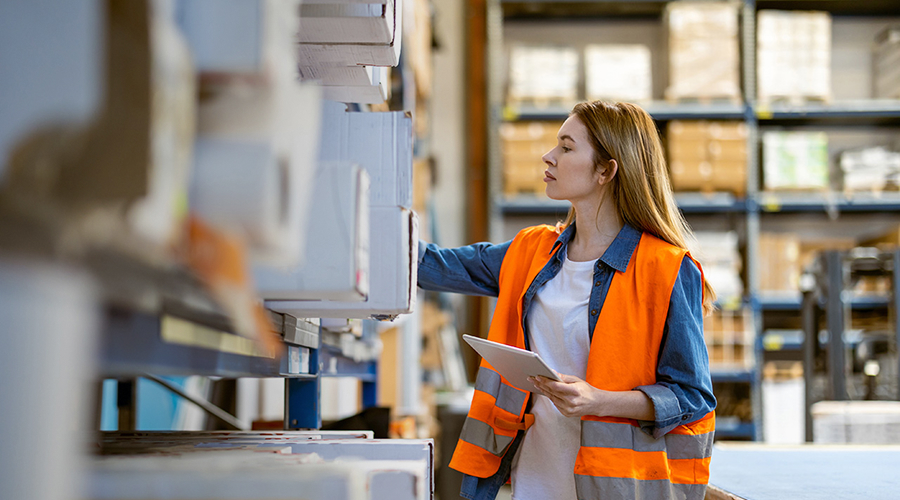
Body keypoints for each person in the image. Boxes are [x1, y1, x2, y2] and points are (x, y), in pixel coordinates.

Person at [417, 100, 717, 500]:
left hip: (616, 487)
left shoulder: (666, 268)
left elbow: (692, 397)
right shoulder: (530, 251)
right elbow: (430, 266)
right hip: (535, 480)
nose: (549, 156)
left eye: (567, 147)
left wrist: (598, 400)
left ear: (606, 170)